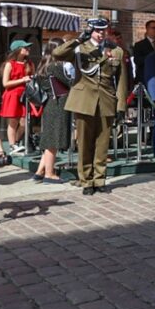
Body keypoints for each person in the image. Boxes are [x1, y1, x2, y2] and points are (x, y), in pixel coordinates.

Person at [53, 18, 129, 195]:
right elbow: (57, 54)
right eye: (97, 30)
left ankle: (99, 178)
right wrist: (79, 39)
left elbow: (121, 82)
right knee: (85, 142)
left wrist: (121, 106)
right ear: (90, 31)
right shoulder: (80, 49)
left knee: (102, 143)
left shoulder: (116, 51)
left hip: (106, 100)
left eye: (104, 30)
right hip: (84, 100)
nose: (101, 34)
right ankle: (86, 180)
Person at [32, 39, 75, 182]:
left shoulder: (43, 65)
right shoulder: (57, 66)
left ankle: (39, 172)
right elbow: (71, 82)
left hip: (50, 102)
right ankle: (49, 174)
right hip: (58, 103)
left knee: (49, 138)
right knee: (53, 141)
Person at [0, 39, 34, 153]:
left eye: (28, 47)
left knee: (24, 122)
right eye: (25, 47)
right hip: (12, 95)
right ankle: (13, 145)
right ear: (18, 50)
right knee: (13, 122)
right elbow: (5, 83)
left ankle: (16, 142)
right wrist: (22, 80)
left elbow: (32, 79)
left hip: (25, 95)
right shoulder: (9, 64)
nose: (28, 49)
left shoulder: (30, 64)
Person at [132, 20, 155, 85]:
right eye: (153, 28)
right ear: (147, 29)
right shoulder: (139, 45)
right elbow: (137, 61)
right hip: (145, 79)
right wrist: (152, 56)